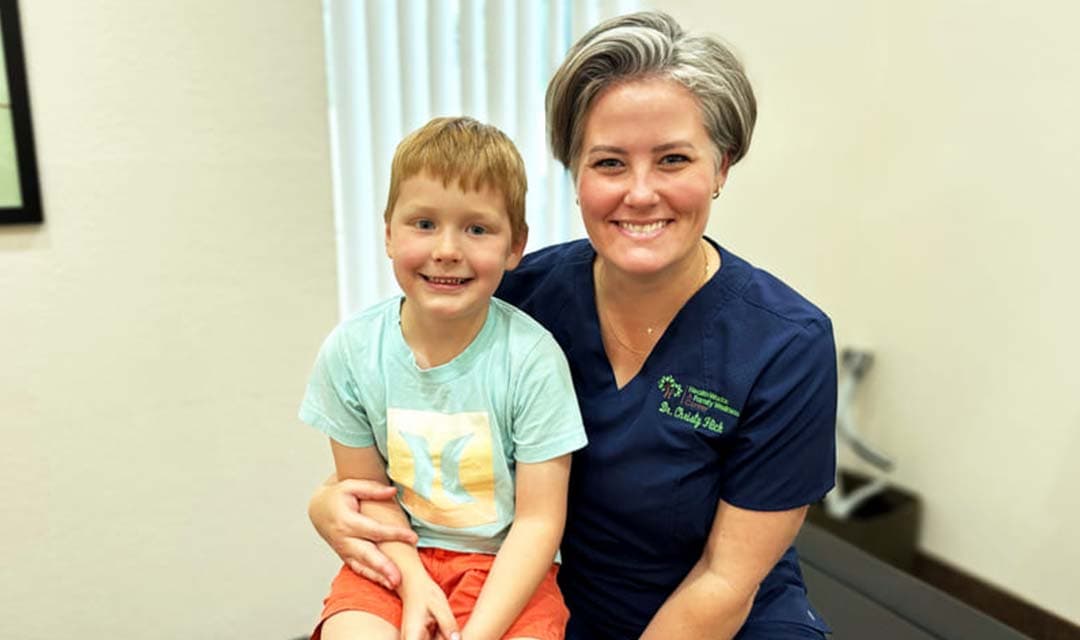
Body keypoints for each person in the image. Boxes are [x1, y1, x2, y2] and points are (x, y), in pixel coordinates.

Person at [308, 12, 836, 640]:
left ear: (721, 167)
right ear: (575, 174)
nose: (640, 194)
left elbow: (726, 580)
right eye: (609, 163)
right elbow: (417, 439)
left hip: (720, 619)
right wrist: (327, 504)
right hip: (537, 600)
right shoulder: (520, 297)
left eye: (672, 159)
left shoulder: (785, 344)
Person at [299, 116, 588, 640]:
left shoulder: (532, 359)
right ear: (388, 232)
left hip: (507, 572)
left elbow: (539, 523)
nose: (447, 249)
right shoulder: (351, 353)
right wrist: (412, 583)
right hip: (394, 558)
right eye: (424, 224)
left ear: (514, 246)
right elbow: (367, 495)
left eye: (477, 229)